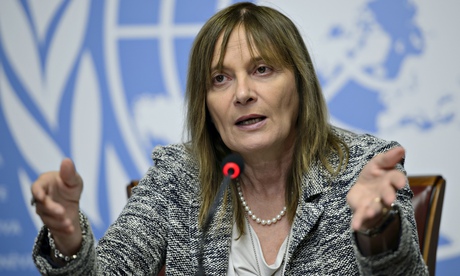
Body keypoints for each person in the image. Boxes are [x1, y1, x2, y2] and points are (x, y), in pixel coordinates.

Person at [31, 2, 428, 275]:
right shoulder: (179, 177)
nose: (241, 93)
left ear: (300, 84)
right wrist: (69, 240)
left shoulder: (361, 168)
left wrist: (378, 231)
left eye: (262, 69)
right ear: (205, 103)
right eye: (220, 79)